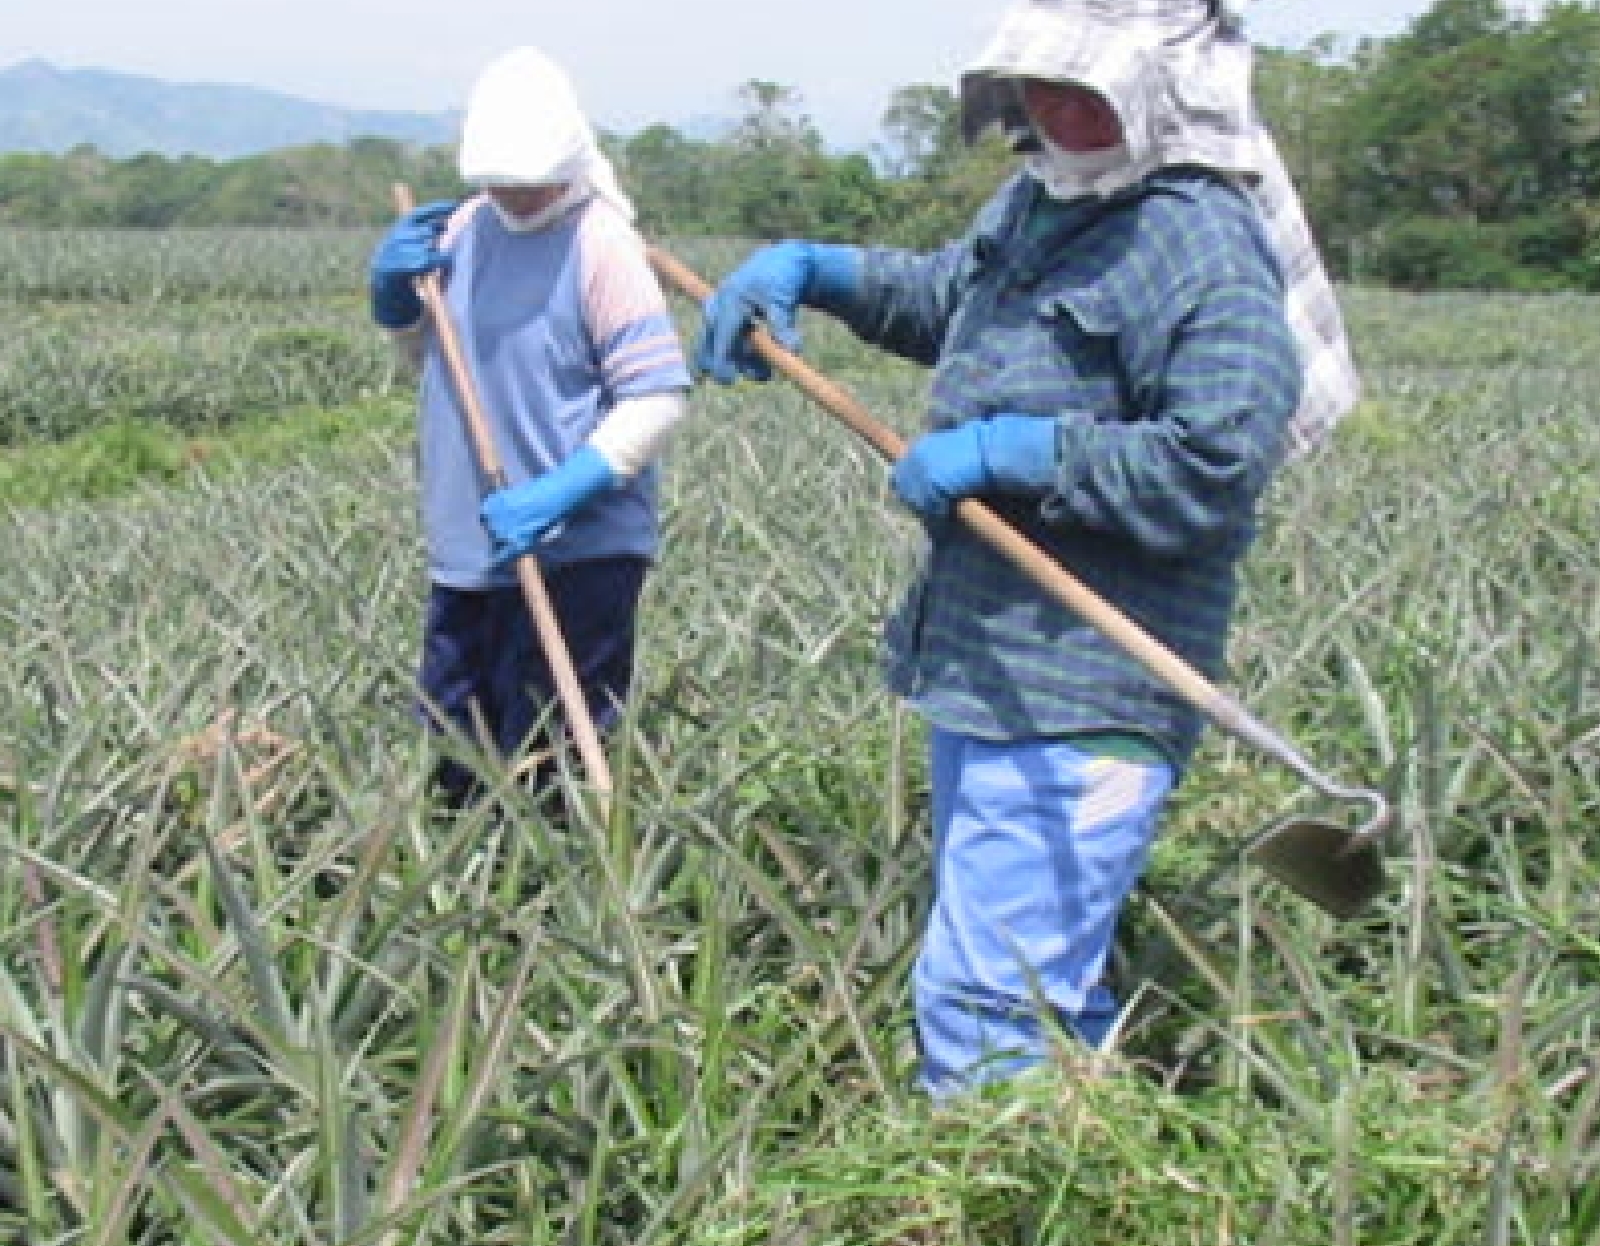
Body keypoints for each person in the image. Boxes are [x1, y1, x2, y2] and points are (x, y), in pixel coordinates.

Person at [696, 0, 1359, 1095]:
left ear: (1159, 93)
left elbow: (1214, 464)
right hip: (988, 664)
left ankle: (1001, 1223)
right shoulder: (1046, 196)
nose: (1050, 107)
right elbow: (948, 300)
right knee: (1024, 976)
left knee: (985, 997)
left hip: (1093, 677)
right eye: (1038, 83)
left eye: (1085, 89)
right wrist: (820, 271)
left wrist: (1021, 450)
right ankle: (1085, 1174)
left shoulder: (1198, 239)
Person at [368, 46, 691, 807]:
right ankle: (479, 918)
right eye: (500, 183)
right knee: (455, 749)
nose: (515, 198)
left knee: (551, 757)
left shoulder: (600, 243)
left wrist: (561, 492)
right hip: (467, 544)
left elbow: (657, 397)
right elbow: (437, 364)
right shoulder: (462, 231)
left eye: (529, 181)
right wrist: (396, 306)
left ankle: (554, 902)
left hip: (577, 551)